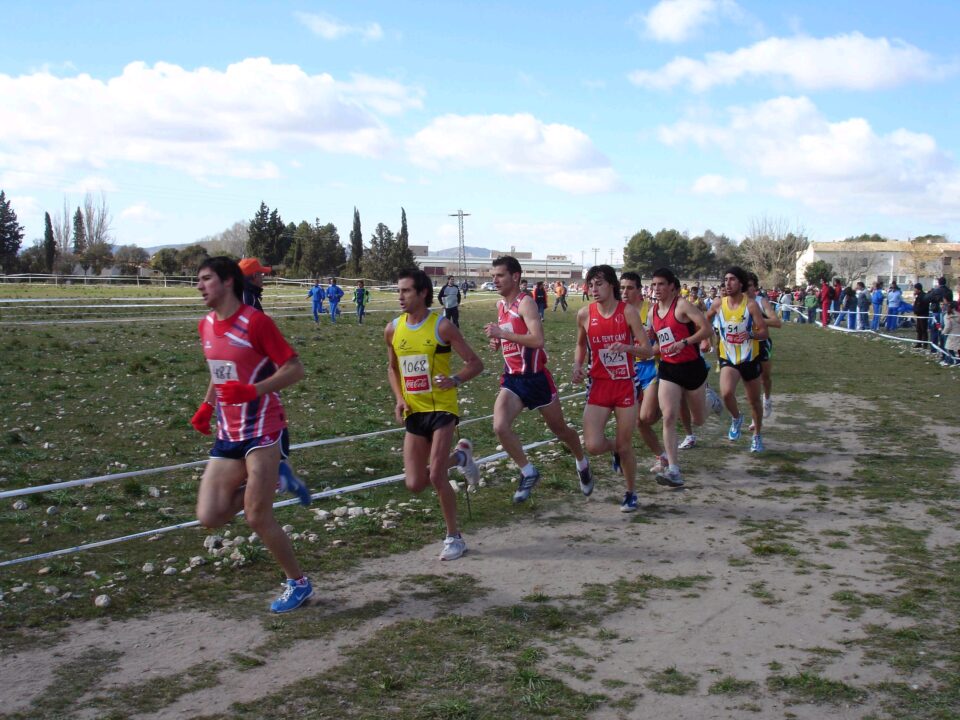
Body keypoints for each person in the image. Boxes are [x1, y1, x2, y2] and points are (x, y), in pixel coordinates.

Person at [191, 256, 314, 613]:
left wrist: (254, 390)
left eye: (206, 279)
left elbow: (295, 369)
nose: (199, 286)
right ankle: (276, 478)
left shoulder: (255, 323)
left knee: (257, 516)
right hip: (228, 430)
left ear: (228, 281)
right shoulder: (206, 325)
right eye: (198, 280)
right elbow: (221, 371)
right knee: (209, 515)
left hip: (262, 426)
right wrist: (206, 405)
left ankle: (299, 584)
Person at [385, 268, 484, 561]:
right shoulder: (392, 329)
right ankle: (462, 456)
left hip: (442, 408)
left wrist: (455, 380)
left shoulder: (442, 327)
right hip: (414, 411)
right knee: (415, 483)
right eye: (399, 291)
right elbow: (392, 368)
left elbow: (475, 363)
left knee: (437, 474)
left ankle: (454, 538)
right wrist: (400, 399)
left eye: (406, 291)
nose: (400, 296)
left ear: (423, 293)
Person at [484, 256, 592, 502]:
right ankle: (528, 471)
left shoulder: (526, 304)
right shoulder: (501, 306)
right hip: (513, 380)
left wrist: (502, 333)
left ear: (515, 276)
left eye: (499, 275)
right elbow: (510, 335)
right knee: (500, 426)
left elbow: (538, 340)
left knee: (560, 430)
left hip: (536, 379)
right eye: (493, 276)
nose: (495, 280)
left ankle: (581, 462)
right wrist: (497, 340)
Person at [572, 266, 652, 512]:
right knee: (593, 445)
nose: (594, 290)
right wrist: (577, 366)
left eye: (599, 284)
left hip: (625, 384)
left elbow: (647, 350)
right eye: (591, 285)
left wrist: (628, 348)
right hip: (598, 384)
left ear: (611, 286)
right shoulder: (585, 314)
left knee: (626, 444)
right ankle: (615, 449)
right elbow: (580, 345)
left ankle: (630, 493)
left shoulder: (627, 312)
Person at [650, 267, 721, 488]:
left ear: (672, 286)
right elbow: (656, 340)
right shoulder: (653, 311)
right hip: (669, 369)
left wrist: (685, 342)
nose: (657, 288)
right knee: (669, 416)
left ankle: (712, 400)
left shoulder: (682, 306)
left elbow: (707, 329)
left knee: (698, 419)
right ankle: (673, 470)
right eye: (654, 284)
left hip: (692, 368)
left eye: (661, 284)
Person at [706, 267, 770, 452]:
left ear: (740, 283)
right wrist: (704, 338)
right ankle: (736, 417)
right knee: (726, 393)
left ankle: (757, 436)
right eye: (726, 279)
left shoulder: (751, 305)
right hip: (729, 357)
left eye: (732, 279)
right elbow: (705, 320)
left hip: (749, 358)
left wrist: (749, 334)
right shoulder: (719, 303)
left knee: (754, 401)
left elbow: (764, 332)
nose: (728, 282)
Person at [620, 271, 669, 475]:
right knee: (639, 421)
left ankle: (673, 404)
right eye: (622, 288)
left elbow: (665, 341)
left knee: (647, 417)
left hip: (653, 368)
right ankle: (662, 456)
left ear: (640, 290)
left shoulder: (652, 311)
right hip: (631, 371)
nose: (624, 292)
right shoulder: (618, 312)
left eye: (629, 288)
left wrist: (648, 349)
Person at [746, 272, 780, 418]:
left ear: (755, 287)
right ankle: (755, 415)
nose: (746, 289)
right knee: (750, 381)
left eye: (749, 286)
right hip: (746, 344)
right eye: (744, 286)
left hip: (762, 343)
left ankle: (767, 398)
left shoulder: (761, 301)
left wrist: (757, 319)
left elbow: (777, 322)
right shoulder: (738, 303)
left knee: (765, 377)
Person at [941, 301, 959, 366]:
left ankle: (954, 360)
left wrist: (943, 332)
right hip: (958, 333)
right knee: (957, 348)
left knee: (949, 348)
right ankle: (957, 360)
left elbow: (948, 326)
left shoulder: (947, 316)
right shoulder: (958, 314)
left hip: (951, 334)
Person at [913, 283, 930, 349]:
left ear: (918, 289)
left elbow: (923, 306)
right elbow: (915, 305)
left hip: (923, 315)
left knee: (923, 329)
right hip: (919, 315)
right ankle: (919, 343)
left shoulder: (923, 296)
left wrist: (917, 310)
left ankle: (925, 344)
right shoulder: (918, 296)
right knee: (919, 329)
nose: (914, 290)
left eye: (915, 289)